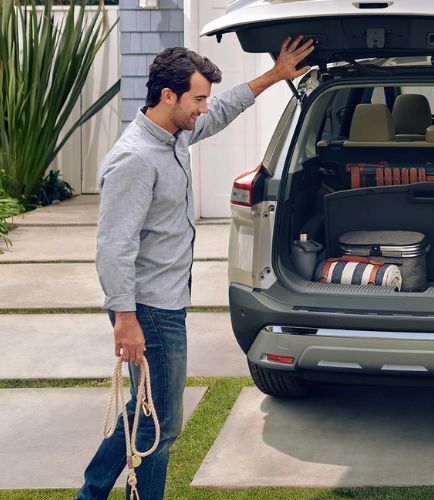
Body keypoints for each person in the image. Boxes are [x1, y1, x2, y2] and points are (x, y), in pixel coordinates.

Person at [77, 35, 314, 500]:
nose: (204, 108)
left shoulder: (174, 133)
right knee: (163, 424)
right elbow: (114, 246)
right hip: (148, 309)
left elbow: (224, 109)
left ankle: (97, 494)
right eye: (198, 98)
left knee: (148, 415)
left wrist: (276, 74)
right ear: (169, 96)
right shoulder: (134, 160)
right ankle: (99, 493)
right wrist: (125, 319)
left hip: (163, 302)